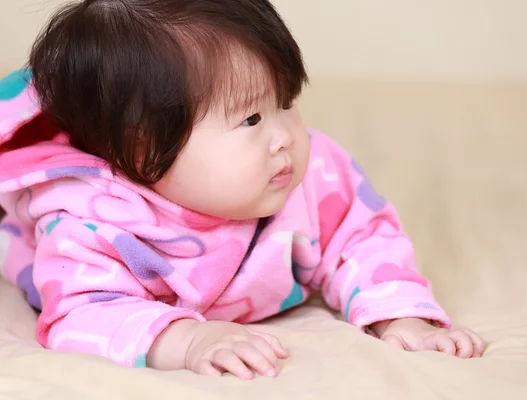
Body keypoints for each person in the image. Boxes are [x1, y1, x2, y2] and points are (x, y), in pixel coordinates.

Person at [0, 0, 484, 380]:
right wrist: (187, 342)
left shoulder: (310, 174)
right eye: (251, 118)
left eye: (286, 102)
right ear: (142, 149)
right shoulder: (93, 220)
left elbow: (362, 240)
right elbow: (82, 316)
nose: (285, 137)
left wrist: (399, 319)